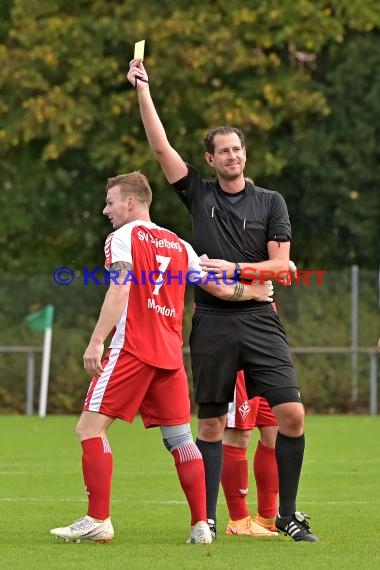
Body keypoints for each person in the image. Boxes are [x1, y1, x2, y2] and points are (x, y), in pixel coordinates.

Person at [127, 58, 319, 543]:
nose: (233, 156)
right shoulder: (199, 194)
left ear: (244, 154)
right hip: (212, 321)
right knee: (211, 424)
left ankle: (289, 516)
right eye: (223, 151)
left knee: (291, 415)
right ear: (209, 159)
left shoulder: (271, 202)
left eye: (238, 149)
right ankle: (207, 519)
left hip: (260, 319)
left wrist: (229, 269)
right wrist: (143, 90)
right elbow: (160, 145)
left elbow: (282, 269)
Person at [50, 172, 273, 545]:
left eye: (111, 202)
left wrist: (96, 341)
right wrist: (252, 292)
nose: (106, 210)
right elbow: (217, 287)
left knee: (89, 429)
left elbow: (120, 288)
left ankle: (97, 519)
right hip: (169, 357)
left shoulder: (122, 237)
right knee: (181, 440)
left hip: (132, 349)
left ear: (132, 203)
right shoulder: (179, 244)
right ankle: (201, 525)